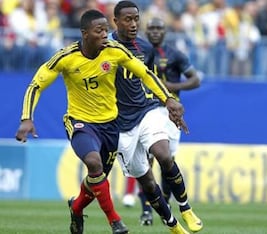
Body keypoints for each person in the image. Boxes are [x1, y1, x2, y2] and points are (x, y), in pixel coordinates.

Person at [15, 9, 185, 234]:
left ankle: (76, 208)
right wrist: (27, 118)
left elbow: (145, 74)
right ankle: (115, 221)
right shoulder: (66, 57)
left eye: (106, 29)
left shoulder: (115, 52)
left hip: (111, 126)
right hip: (80, 123)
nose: (106, 34)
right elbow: (36, 84)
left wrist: (168, 99)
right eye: (100, 31)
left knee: (96, 179)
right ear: (85, 34)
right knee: (94, 164)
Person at [109, 1, 202, 233]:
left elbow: (148, 77)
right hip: (120, 123)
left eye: (136, 19)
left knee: (164, 155)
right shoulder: (105, 46)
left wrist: (168, 101)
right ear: (116, 21)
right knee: (147, 180)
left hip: (146, 111)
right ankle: (171, 223)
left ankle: (186, 207)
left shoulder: (144, 49)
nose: (133, 24)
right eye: (128, 19)